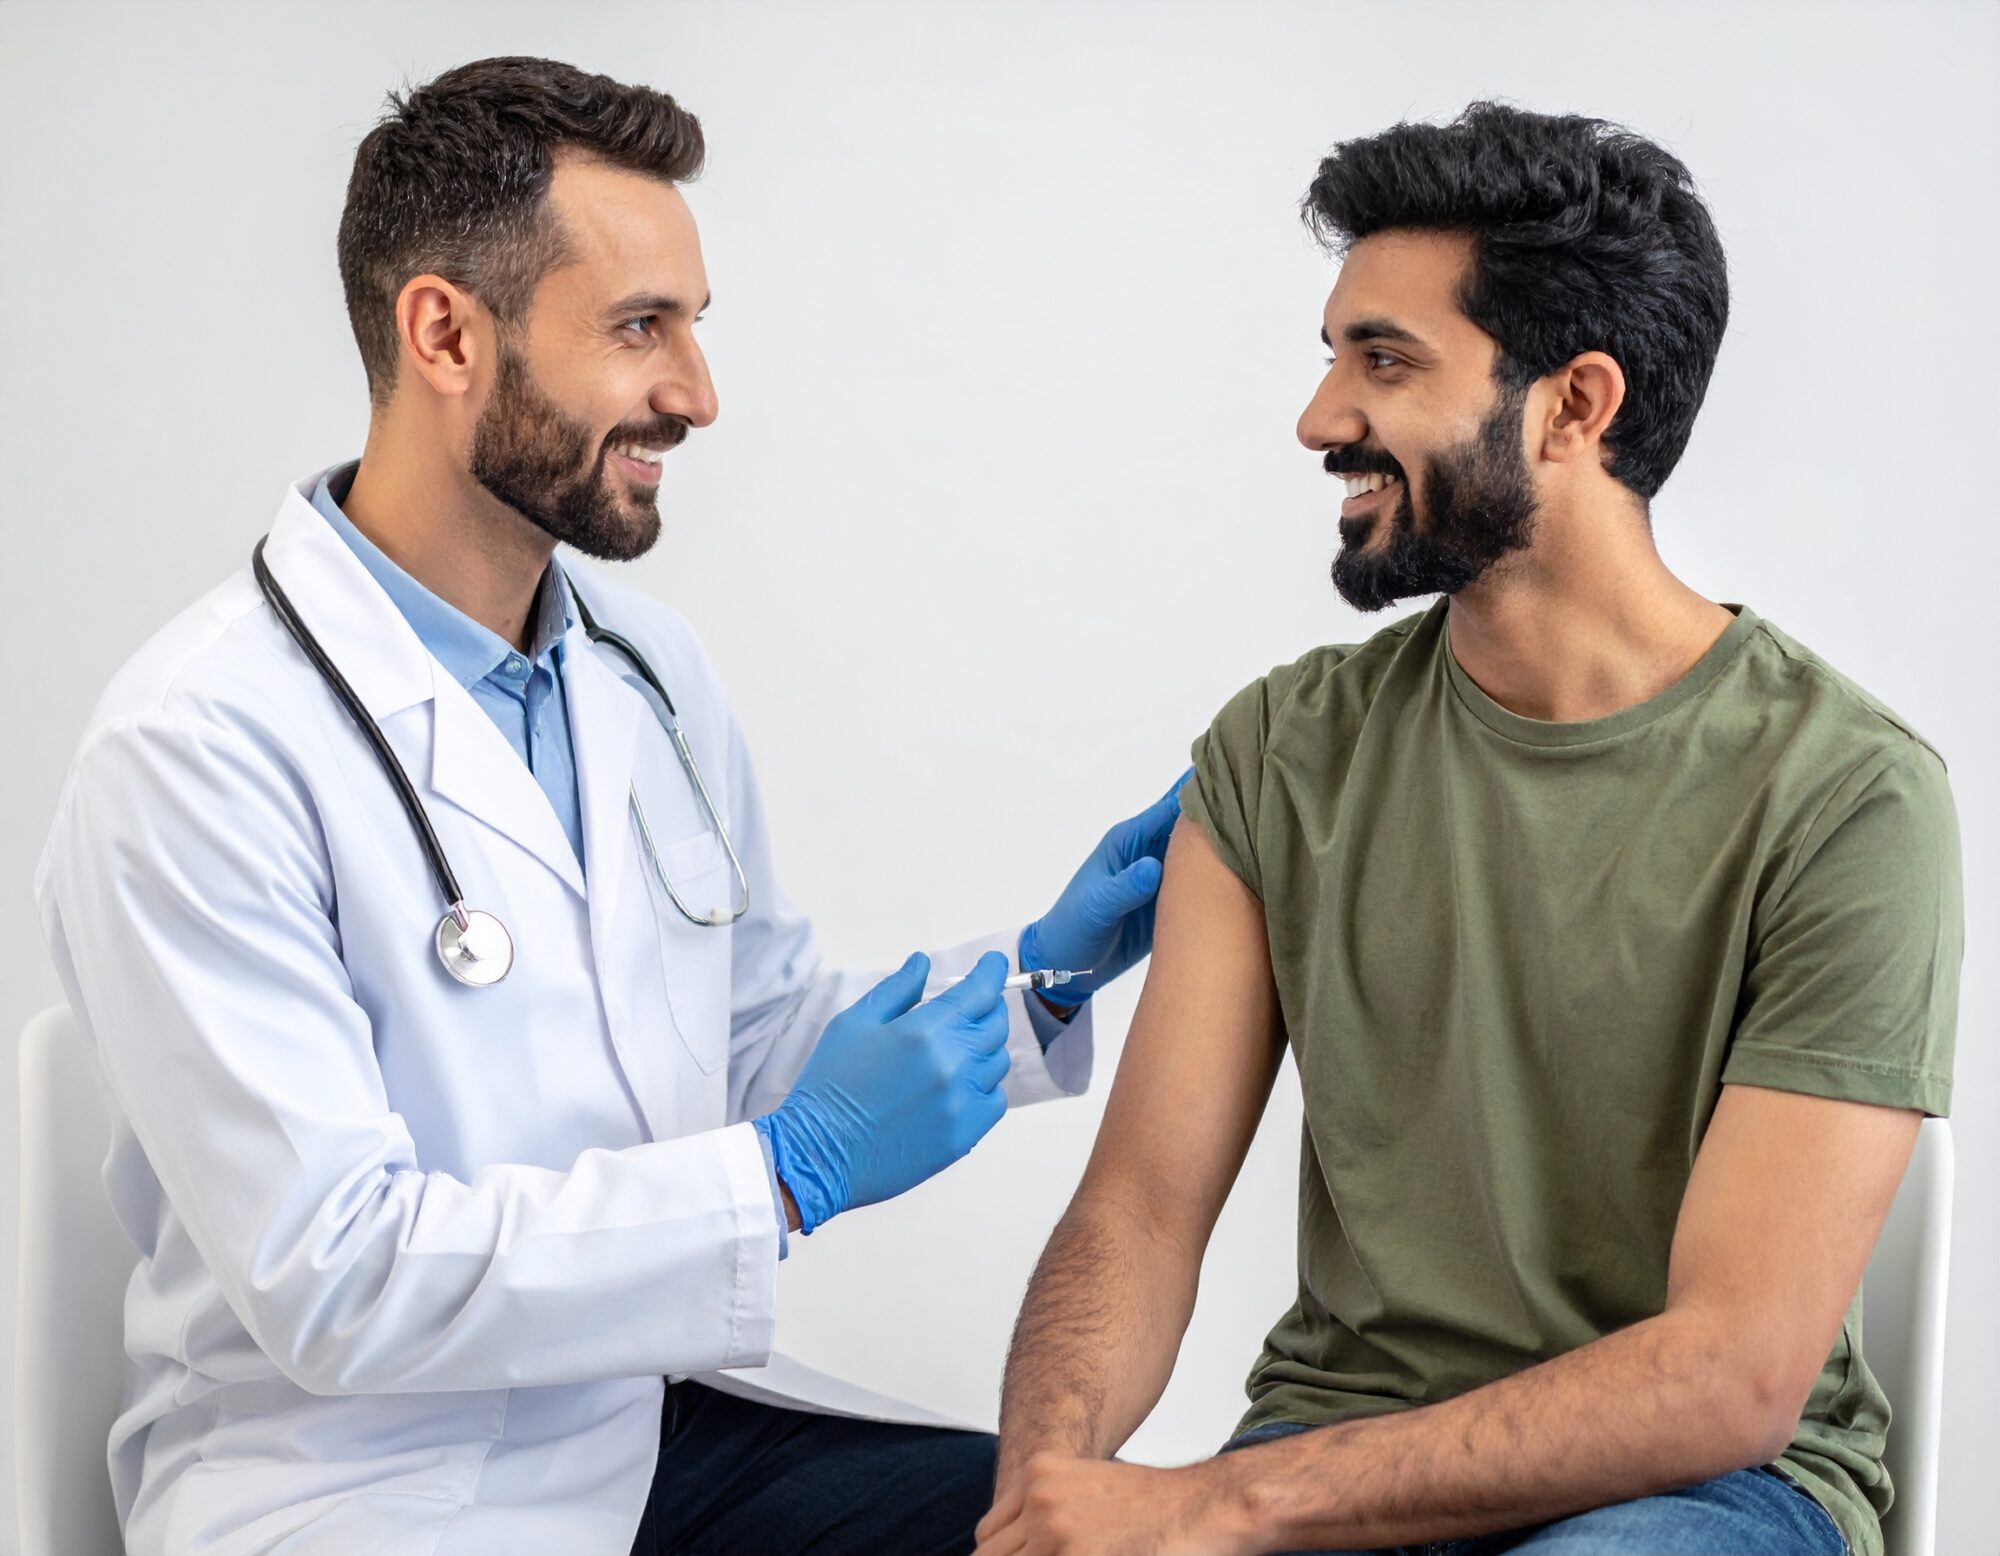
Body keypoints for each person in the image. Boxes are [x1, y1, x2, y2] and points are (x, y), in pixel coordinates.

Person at [35, 57, 1180, 1556]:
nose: (696, 395)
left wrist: (1039, 976)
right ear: (444, 331)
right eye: (642, 329)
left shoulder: (646, 671)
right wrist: (785, 1177)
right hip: (368, 1490)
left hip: (642, 1432)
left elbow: (746, 1034)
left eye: (693, 327)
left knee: (1093, 1535)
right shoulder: (195, 749)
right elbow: (337, 1279)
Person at [977, 102, 1961, 1556]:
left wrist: (1223, 1502)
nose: (1321, 417)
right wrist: (1043, 1499)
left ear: (1575, 406)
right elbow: (1138, 1210)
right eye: (1331, 355)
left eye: (1383, 360)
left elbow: (1731, 1375)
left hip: (1701, 1498)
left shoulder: (1847, 796)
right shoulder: (1282, 754)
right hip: (1339, 1443)